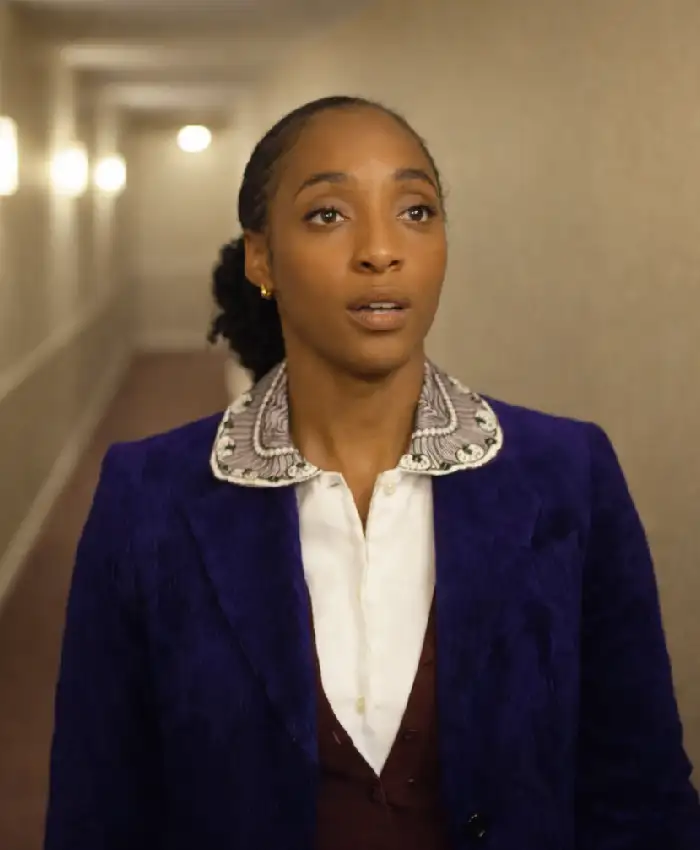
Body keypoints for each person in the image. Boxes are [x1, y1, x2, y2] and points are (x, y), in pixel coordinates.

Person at [44, 95, 700, 850]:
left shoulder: (567, 476)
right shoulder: (148, 496)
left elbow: (640, 792)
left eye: (415, 211)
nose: (381, 250)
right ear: (261, 259)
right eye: (328, 214)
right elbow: (99, 808)